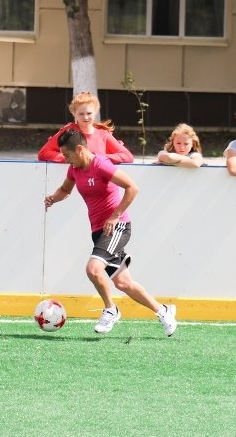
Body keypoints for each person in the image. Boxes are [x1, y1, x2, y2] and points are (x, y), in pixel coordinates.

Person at [43, 129, 177, 336]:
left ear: (79, 149)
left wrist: (115, 216)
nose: (66, 160)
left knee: (93, 269)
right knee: (124, 283)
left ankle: (111, 310)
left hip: (117, 227)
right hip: (99, 232)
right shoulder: (75, 169)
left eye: (68, 155)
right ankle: (163, 310)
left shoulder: (101, 165)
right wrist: (53, 197)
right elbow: (65, 190)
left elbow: (132, 187)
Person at [37, 92, 133, 164]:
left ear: (95, 112)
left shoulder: (103, 134)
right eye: (81, 114)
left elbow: (127, 156)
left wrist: (96, 158)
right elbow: (43, 153)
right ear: (74, 114)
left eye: (89, 113)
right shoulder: (68, 131)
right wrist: (70, 158)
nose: (85, 117)